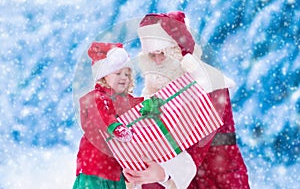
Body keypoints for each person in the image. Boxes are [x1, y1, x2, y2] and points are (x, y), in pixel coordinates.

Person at [123, 11, 250, 189]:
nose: (158, 61)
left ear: (178, 52)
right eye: (152, 56)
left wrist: (163, 172)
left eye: (163, 53)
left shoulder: (209, 85)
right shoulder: (154, 93)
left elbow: (197, 145)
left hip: (215, 180)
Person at [73, 42, 143, 189]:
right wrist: (115, 127)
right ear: (104, 76)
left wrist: (151, 106)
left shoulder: (124, 100)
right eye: (118, 73)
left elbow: (138, 109)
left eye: (127, 73)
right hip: (94, 167)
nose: (123, 77)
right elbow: (101, 115)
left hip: (116, 169)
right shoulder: (96, 97)